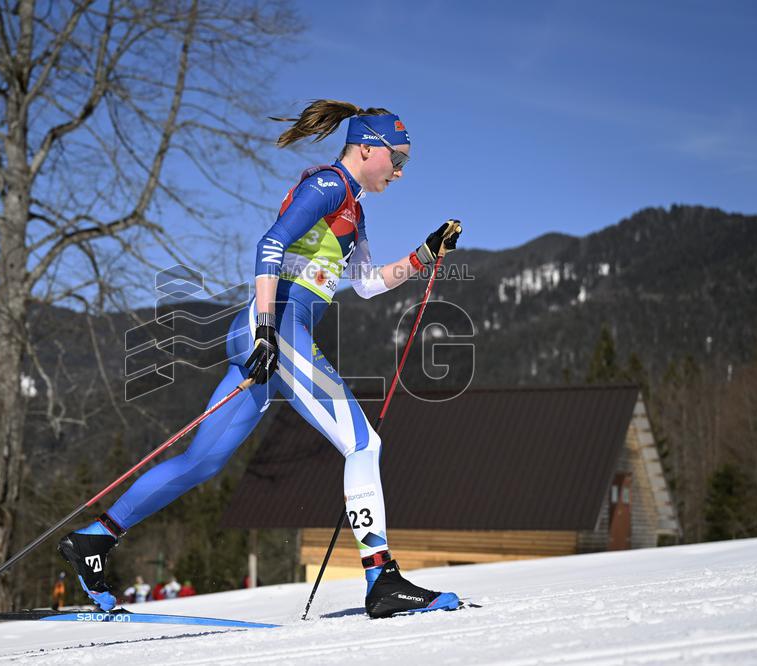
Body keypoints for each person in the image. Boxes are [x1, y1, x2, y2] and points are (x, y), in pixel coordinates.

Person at [58, 99, 461, 619]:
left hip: (266, 336)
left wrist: (423, 256)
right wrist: (268, 330)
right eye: (397, 159)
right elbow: (270, 245)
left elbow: (364, 284)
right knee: (363, 442)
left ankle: (97, 538)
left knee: (201, 462)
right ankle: (381, 578)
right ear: (367, 147)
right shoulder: (329, 185)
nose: (401, 172)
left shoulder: (352, 210)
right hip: (277, 328)